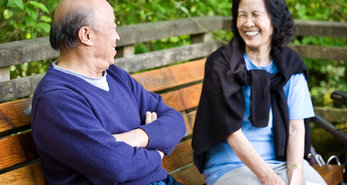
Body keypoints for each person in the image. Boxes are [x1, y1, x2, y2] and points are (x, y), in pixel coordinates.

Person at [31, 0, 186, 184]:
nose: (117, 36)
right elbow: (116, 167)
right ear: (86, 35)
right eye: (112, 27)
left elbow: (176, 122)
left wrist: (137, 137)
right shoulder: (57, 99)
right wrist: (157, 150)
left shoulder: (115, 75)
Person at [192, 0, 327, 184]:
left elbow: (295, 129)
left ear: (275, 20)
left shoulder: (290, 65)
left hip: (283, 161)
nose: (248, 23)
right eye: (242, 15)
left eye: (256, 15)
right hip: (230, 165)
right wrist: (268, 177)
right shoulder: (221, 65)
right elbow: (231, 131)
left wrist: (295, 178)